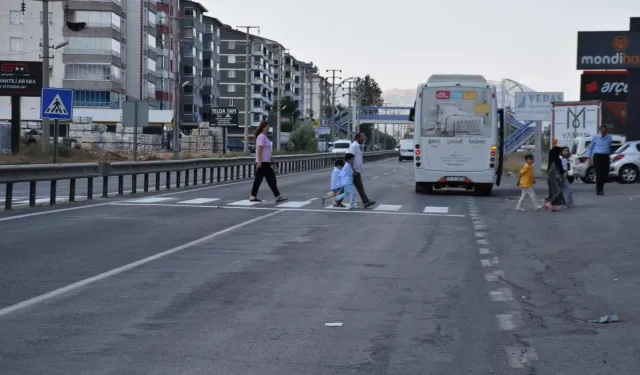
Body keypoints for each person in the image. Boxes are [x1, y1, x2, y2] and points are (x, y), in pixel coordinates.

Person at [248, 121, 287, 203]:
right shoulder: (261, 137)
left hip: (265, 161)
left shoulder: (264, 137)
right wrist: (259, 161)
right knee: (271, 178)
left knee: (259, 180)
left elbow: (267, 150)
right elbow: (259, 149)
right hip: (263, 162)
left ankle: (252, 196)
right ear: (263, 127)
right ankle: (277, 196)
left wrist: (271, 159)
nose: (269, 128)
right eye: (267, 126)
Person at [336, 133, 376, 208]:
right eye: (362, 138)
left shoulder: (357, 146)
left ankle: (366, 202)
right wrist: (353, 170)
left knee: (359, 187)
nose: (363, 140)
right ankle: (338, 201)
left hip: (356, 171)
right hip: (353, 171)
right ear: (357, 138)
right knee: (347, 186)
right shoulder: (354, 146)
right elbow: (349, 158)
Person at [587, 125, 613, 196]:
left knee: (605, 174)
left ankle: (600, 186)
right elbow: (590, 147)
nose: (603, 131)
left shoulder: (609, 137)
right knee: (599, 173)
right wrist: (589, 157)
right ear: (600, 130)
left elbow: (609, 145)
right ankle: (599, 189)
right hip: (597, 156)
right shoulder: (595, 137)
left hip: (606, 156)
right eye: (602, 129)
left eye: (605, 130)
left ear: (607, 130)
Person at [544, 146, 566, 211]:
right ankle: (549, 202)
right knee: (557, 191)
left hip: (550, 178)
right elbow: (554, 171)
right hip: (553, 178)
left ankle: (548, 202)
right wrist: (558, 175)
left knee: (552, 191)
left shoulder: (552, 161)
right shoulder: (555, 162)